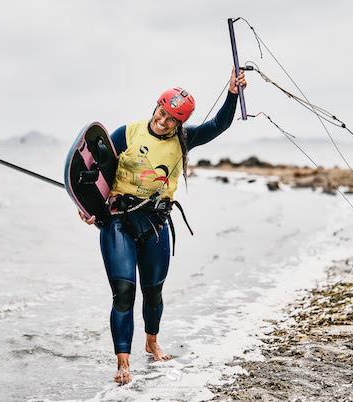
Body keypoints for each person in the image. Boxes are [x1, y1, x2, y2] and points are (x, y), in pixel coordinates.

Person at [79, 68, 247, 384]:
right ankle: (123, 362)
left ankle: (152, 342)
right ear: (155, 106)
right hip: (118, 222)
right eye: (162, 112)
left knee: (153, 292)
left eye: (172, 119)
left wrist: (232, 94)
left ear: (179, 123)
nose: (164, 121)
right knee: (124, 292)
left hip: (155, 224)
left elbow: (220, 124)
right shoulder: (126, 133)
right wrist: (86, 208)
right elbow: (93, 172)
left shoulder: (185, 140)